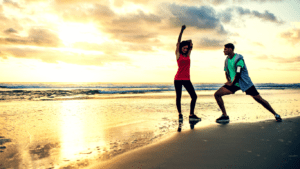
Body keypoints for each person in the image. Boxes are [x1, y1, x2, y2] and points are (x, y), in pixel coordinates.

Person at [214, 43, 282, 123]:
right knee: (217, 94)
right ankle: (225, 116)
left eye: (225, 49)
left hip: (245, 83)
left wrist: (232, 83)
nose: (223, 51)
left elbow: (238, 73)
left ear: (230, 49)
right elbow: (226, 71)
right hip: (234, 83)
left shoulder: (239, 59)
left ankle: (276, 114)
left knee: (259, 99)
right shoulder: (226, 60)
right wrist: (228, 80)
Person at [174, 25, 201, 122]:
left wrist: (189, 43)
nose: (185, 49)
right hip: (178, 79)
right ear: (181, 48)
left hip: (186, 79)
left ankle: (191, 114)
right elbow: (178, 43)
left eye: (186, 48)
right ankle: (180, 114)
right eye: (184, 48)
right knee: (179, 97)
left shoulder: (188, 54)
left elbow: (191, 44)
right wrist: (181, 31)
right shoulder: (178, 55)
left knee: (194, 96)